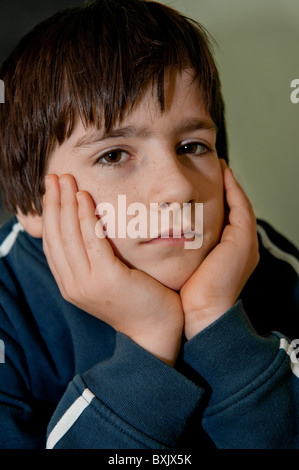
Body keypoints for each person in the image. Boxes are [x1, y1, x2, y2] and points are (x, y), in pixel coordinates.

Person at [0, 0, 298, 450]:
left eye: (192, 146)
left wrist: (216, 322)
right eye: (114, 154)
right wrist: (148, 340)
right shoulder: (7, 301)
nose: (177, 189)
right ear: (33, 203)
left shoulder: (265, 263)